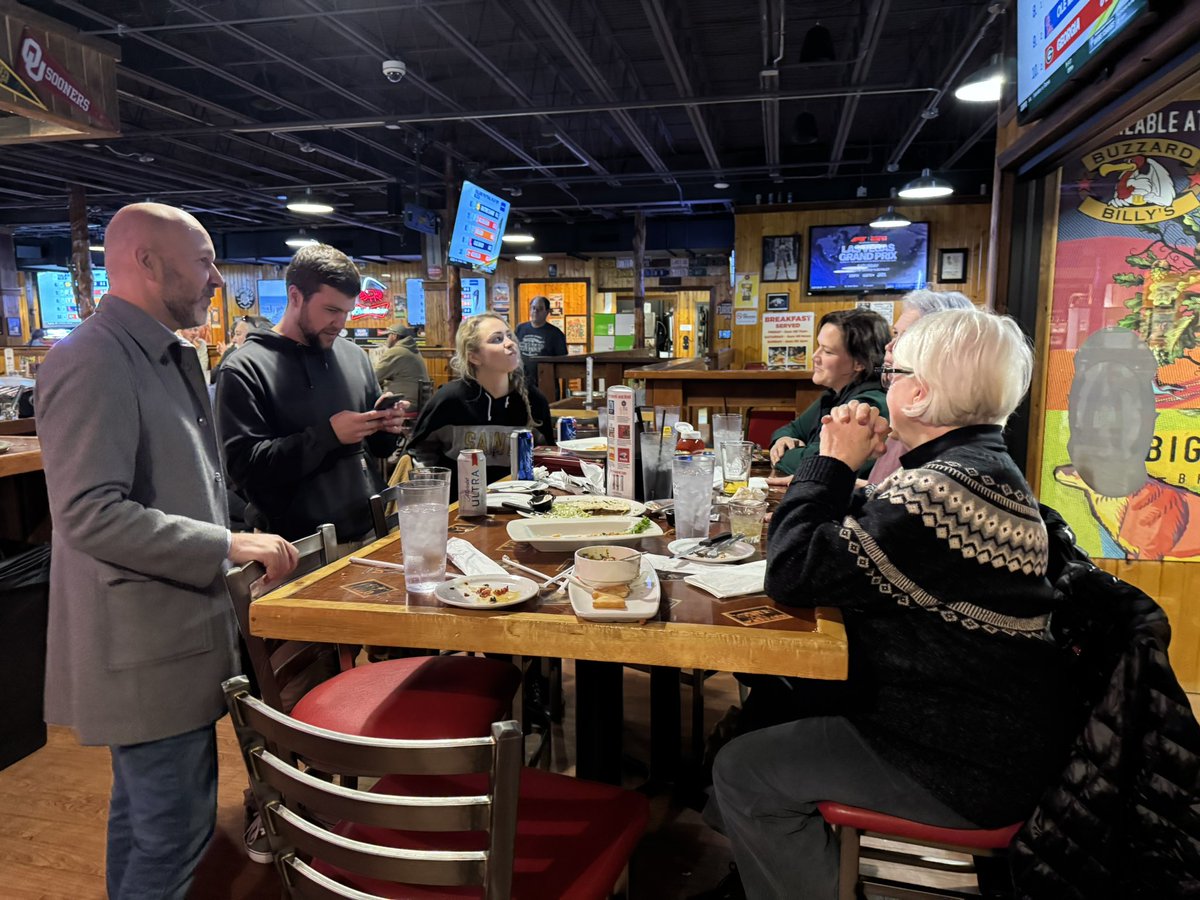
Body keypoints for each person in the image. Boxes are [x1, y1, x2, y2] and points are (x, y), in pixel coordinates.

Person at [708, 309, 1079, 899]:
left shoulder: (942, 492)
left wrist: (830, 460)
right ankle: (764, 871)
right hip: (987, 726)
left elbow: (792, 572)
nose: (887, 385)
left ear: (922, 392)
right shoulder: (975, 468)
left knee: (743, 771)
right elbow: (855, 549)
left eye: (895, 371)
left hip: (960, 758)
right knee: (775, 701)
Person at [33, 202, 298, 900]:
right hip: (144, 646)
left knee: (148, 823)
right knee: (172, 833)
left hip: (170, 634)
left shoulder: (151, 350)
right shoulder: (93, 358)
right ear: (148, 262)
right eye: (206, 259)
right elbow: (89, 514)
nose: (217, 278)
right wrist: (228, 541)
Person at [215, 243, 408, 546]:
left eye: (346, 312)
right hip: (294, 547)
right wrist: (327, 435)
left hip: (370, 530)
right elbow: (246, 470)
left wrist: (386, 424)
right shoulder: (245, 368)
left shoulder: (354, 355)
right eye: (331, 310)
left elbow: (378, 449)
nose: (340, 323)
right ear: (295, 296)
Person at [406, 313, 553, 498]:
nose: (509, 343)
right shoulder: (448, 400)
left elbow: (548, 458)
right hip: (458, 510)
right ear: (474, 356)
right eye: (497, 339)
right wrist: (435, 497)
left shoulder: (534, 401)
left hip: (520, 506)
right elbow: (420, 455)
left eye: (509, 335)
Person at [767, 308, 890, 479]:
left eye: (827, 351)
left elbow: (819, 464)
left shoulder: (867, 405)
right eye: (818, 347)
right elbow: (790, 429)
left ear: (859, 363)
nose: (814, 356)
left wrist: (783, 455)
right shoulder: (832, 396)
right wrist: (782, 440)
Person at [866, 289, 974, 483]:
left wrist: (836, 463)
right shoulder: (908, 417)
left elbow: (905, 501)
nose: (889, 346)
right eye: (895, 334)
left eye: (906, 339)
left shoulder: (934, 431)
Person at [515, 295, 566, 395]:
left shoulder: (556, 334)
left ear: (547, 312)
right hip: (522, 382)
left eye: (540, 309)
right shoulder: (520, 329)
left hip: (546, 383)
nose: (536, 311)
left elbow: (563, 360)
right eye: (533, 308)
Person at [374, 322, 429, 411]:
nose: (386, 339)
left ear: (394, 336)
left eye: (388, 336)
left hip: (405, 403)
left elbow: (374, 377)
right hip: (418, 403)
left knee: (368, 405)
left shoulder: (396, 351)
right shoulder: (413, 350)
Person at [210, 315, 270, 383]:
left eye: (238, 334)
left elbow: (214, 377)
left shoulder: (234, 354)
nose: (234, 340)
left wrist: (228, 355)